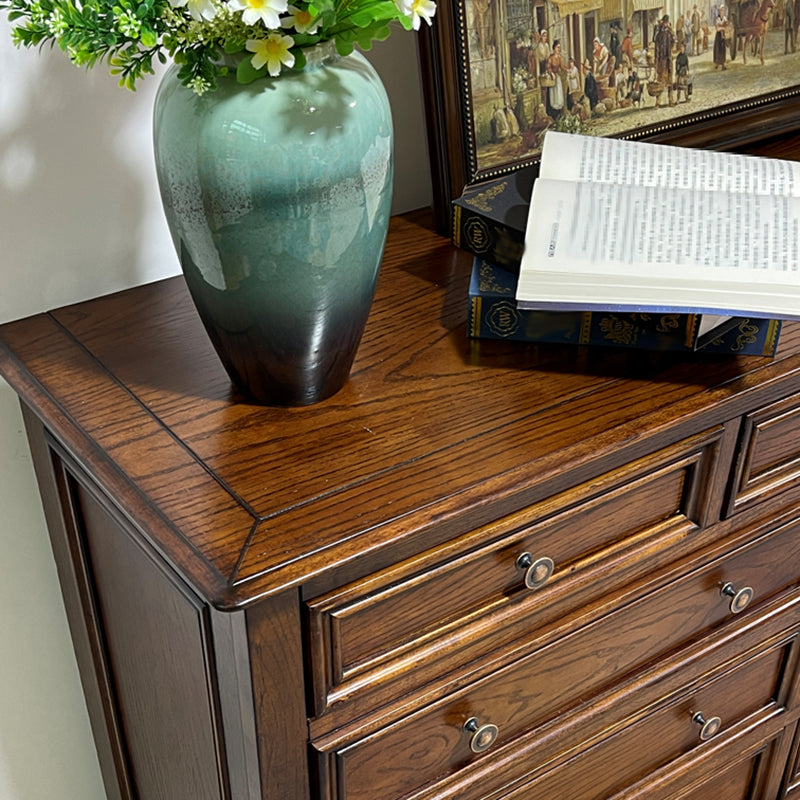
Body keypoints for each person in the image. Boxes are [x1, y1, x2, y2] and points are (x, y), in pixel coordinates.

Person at [654, 14, 676, 105]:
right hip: (661, 60)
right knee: (660, 81)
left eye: (667, 23)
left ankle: (671, 100)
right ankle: (658, 101)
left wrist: (672, 32)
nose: (666, 24)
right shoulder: (659, 35)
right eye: (665, 23)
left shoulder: (670, 33)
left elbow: (674, 42)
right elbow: (656, 49)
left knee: (670, 81)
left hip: (668, 60)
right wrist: (656, 61)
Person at [714, 4, 729, 68]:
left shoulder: (725, 18)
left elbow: (727, 27)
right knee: (718, 49)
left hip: (723, 35)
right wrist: (723, 27)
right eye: (722, 10)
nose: (723, 12)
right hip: (718, 35)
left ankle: (723, 64)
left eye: (723, 10)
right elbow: (717, 29)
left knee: (723, 49)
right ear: (720, 11)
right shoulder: (718, 18)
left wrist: (724, 28)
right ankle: (717, 63)